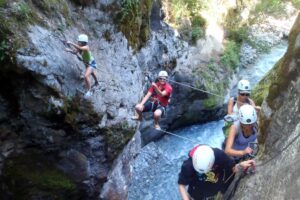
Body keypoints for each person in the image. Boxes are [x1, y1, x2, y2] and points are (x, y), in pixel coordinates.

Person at [178, 145, 255, 200]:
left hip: (216, 190)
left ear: (213, 162)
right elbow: (181, 184)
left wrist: (240, 165)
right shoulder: (188, 165)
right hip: (197, 195)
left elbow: (232, 167)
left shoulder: (219, 155)